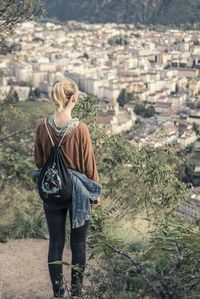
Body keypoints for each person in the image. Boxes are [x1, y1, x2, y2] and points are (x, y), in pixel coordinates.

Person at [34, 77, 101, 298]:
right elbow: (89, 165)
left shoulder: (42, 126)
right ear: (73, 98)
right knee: (78, 243)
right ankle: (76, 291)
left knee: (55, 242)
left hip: (52, 190)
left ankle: (58, 290)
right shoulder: (80, 129)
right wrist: (95, 191)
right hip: (78, 192)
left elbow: (39, 162)